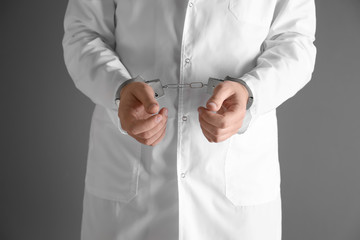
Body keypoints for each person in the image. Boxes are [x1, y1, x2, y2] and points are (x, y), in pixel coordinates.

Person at [62, 0, 316, 239]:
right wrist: (117, 89)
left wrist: (251, 92)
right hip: (131, 170)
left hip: (236, 179)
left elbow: (295, 41)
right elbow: (84, 34)